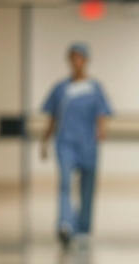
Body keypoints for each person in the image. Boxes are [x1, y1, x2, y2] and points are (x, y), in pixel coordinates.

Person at [41, 42, 112, 248]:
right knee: (65, 182)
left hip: (88, 144)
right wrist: (44, 141)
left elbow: (102, 114)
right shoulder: (61, 89)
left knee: (87, 187)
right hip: (65, 143)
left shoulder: (94, 88)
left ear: (86, 61)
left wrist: (102, 129)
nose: (76, 62)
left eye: (80, 57)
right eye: (72, 57)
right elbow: (53, 118)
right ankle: (65, 224)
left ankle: (83, 227)